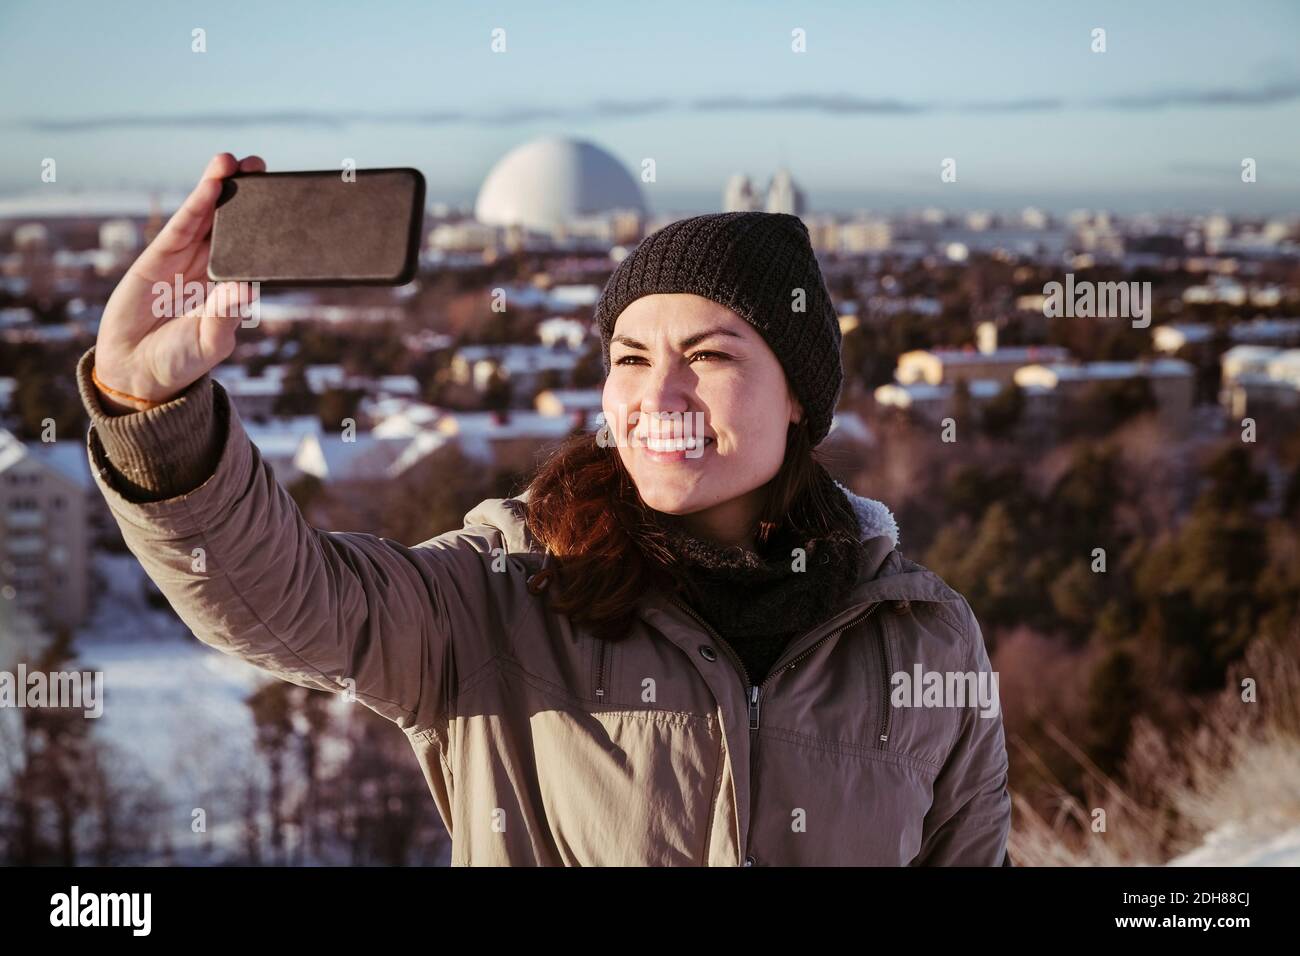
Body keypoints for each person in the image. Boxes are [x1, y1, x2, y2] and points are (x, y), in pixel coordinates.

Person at [78, 152, 1012, 866]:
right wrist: (146, 410)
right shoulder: (509, 588)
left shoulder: (921, 637)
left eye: (713, 356)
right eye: (631, 358)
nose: (660, 397)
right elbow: (283, 601)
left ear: (801, 395)